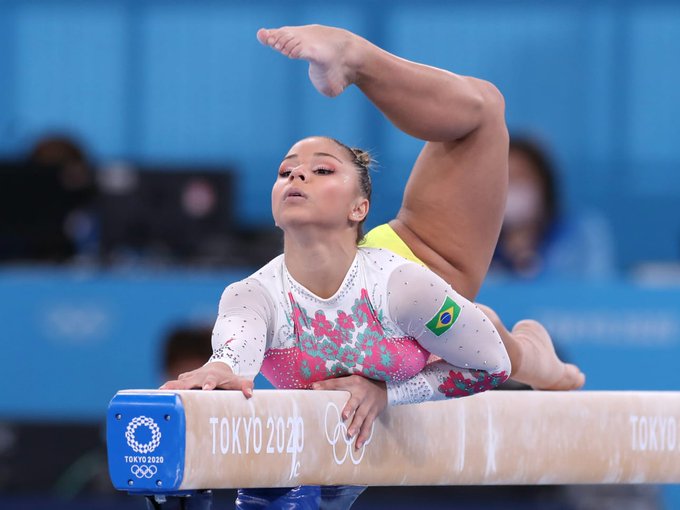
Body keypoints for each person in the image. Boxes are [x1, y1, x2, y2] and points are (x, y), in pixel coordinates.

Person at [162, 24, 585, 509]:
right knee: (484, 327)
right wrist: (217, 372)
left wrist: (389, 392)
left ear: (359, 207)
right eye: (286, 171)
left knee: (484, 109)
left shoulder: (404, 285)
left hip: (425, 259)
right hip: (420, 318)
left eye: (322, 169)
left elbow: (490, 366)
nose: (297, 173)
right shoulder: (252, 295)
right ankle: (540, 358)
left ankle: (357, 59)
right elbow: (235, 354)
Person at [491, 135, 616, 280]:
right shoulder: (474, 242)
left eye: (520, 177)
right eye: (503, 177)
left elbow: (596, 286)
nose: (511, 186)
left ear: (543, 184)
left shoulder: (584, 233)